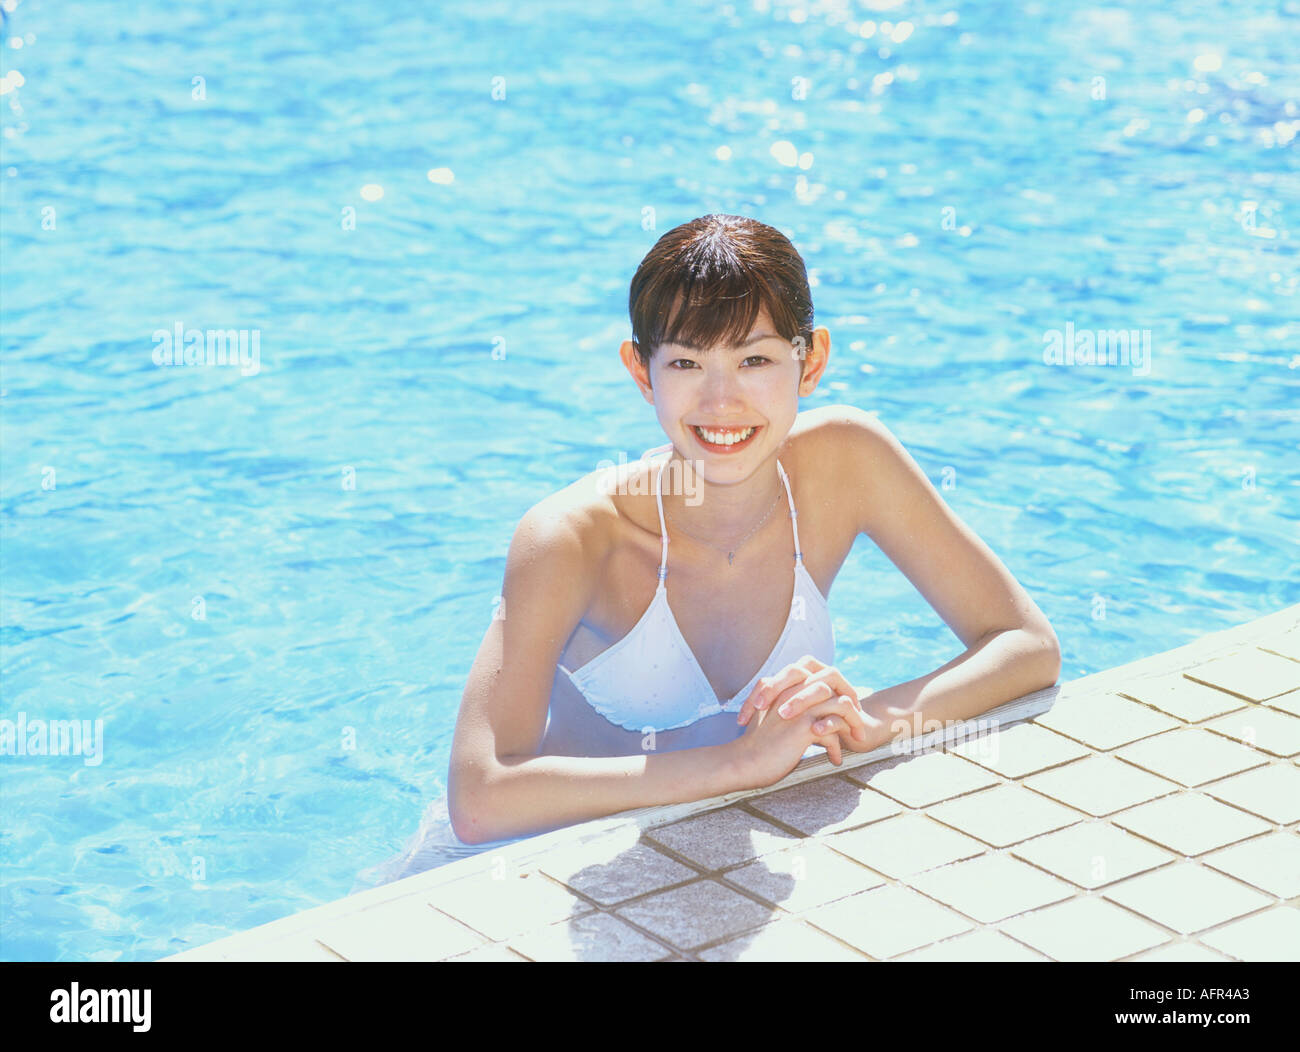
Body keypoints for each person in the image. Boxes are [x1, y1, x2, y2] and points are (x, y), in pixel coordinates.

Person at [445, 213, 1060, 847]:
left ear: (811, 361)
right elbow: (479, 801)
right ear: (640, 372)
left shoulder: (847, 462)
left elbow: (1026, 644)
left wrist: (873, 722)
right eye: (686, 363)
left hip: (731, 849)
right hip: (533, 866)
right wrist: (741, 764)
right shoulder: (571, 538)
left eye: (755, 359)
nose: (721, 403)